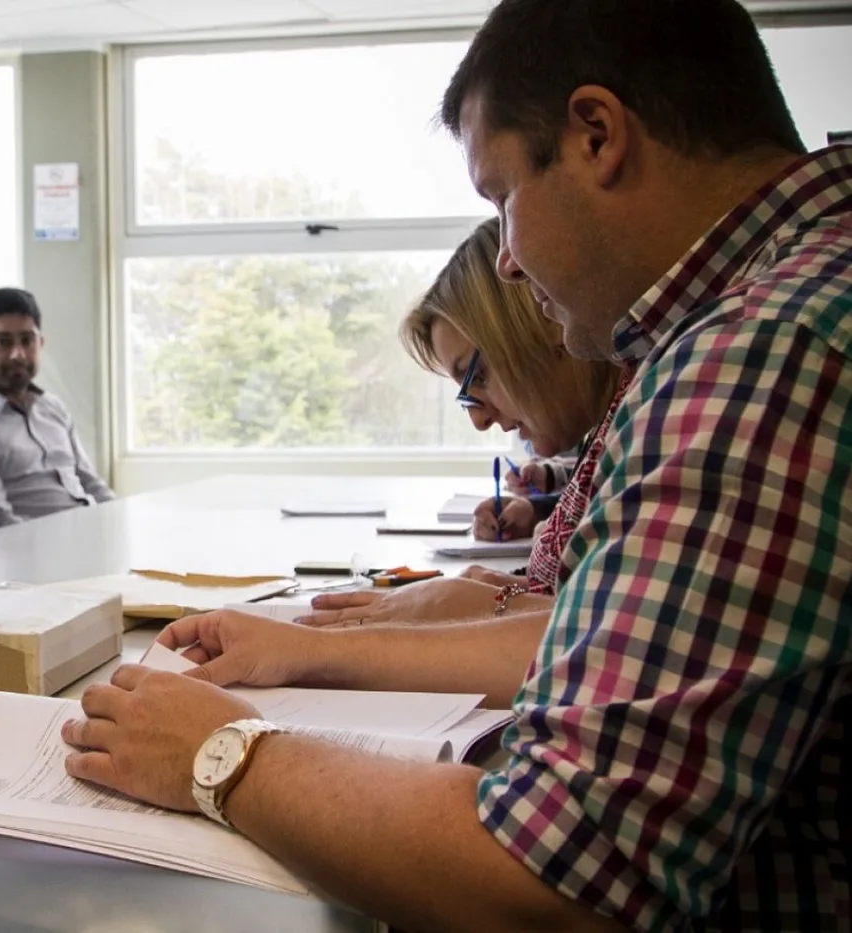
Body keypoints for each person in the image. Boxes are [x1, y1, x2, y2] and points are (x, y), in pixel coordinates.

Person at [59, 2, 851, 930]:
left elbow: (558, 880)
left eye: (501, 198)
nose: (507, 262)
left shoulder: (762, 352)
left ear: (597, 135)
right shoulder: (801, 297)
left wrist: (224, 753)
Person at [303, 217, 627, 628]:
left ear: (541, 317)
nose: (479, 419)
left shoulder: (656, 418)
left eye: (478, 377)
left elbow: (610, 640)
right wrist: (509, 588)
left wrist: (487, 607)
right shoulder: (612, 433)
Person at [0, 287, 114, 526]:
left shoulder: (52, 408)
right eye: (3, 343)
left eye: (27, 341)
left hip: (87, 535)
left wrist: (121, 523)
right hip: (30, 553)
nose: (18, 354)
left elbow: (91, 484)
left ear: (41, 342)